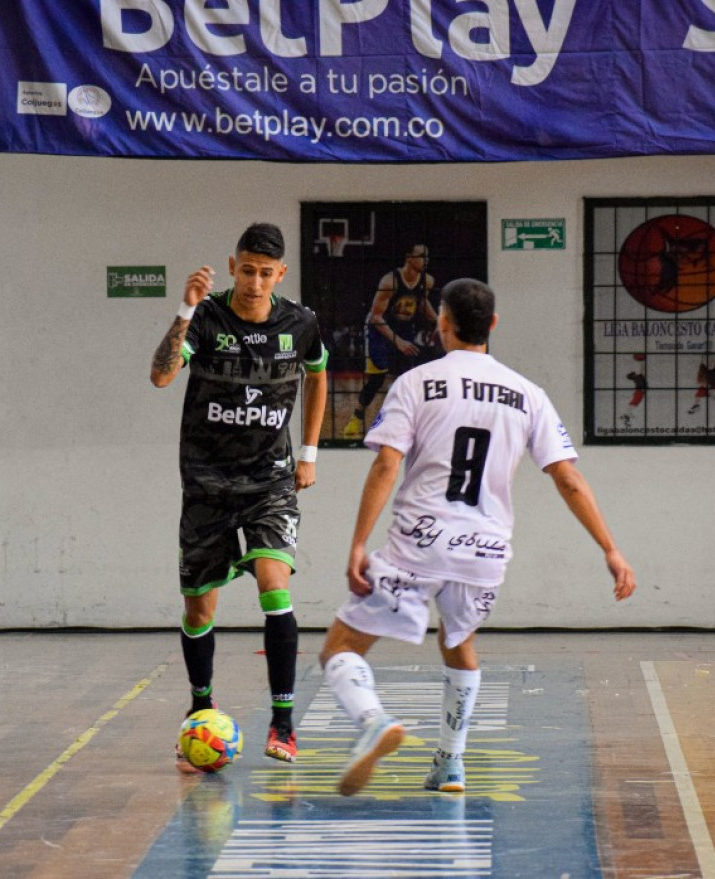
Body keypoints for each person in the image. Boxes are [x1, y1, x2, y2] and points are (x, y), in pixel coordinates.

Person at [319, 278, 636, 797]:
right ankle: (450, 762)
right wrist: (611, 549)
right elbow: (568, 477)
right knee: (458, 640)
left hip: (420, 541)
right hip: (486, 550)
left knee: (339, 649)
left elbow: (386, 465)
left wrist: (358, 543)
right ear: (492, 325)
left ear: (440, 322)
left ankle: (373, 721)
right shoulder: (528, 394)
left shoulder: (416, 383)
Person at [151, 222, 328, 771]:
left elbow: (319, 375)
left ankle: (283, 722)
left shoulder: (299, 323)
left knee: (275, 585)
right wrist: (184, 309)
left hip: (270, 482)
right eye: (247, 270)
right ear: (233, 267)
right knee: (199, 605)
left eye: (265, 273)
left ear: (281, 274)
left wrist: (309, 452)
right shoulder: (206, 318)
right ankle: (201, 708)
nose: (255, 282)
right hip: (206, 482)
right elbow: (160, 377)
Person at [343, 244, 439, 439]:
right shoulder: (390, 281)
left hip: (404, 327)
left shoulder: (427, 281)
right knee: (377, 378)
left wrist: (437, 322)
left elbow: (421, 302)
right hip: (379, 328)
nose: (425, 260)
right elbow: (376, 317)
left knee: (407, 377)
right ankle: (357, 416)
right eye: (421, 256)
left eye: (427, 256)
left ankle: (405, 421)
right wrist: (399, 342)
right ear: (409, 257)